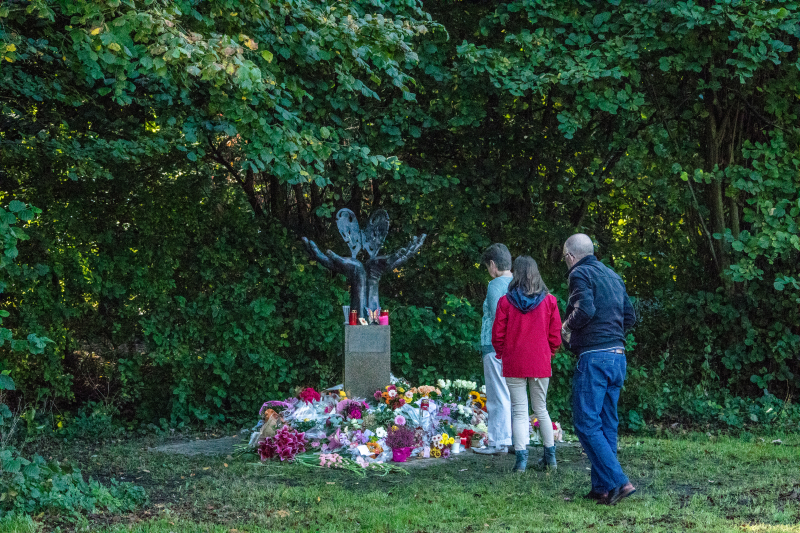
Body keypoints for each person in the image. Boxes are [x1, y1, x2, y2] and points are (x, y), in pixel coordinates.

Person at [561, 234, 637, 505]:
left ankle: (619, 482)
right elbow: (630, 317)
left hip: (594, 357)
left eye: (564, 259)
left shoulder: (579, 274)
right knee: (607, 423)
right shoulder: (613, 276)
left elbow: (585, 310)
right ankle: (602, 488)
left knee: (585, 423)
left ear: (570, 256)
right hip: (618, 356)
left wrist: (566, 327)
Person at [492, 256, 562, 472]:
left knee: (520, 411)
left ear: (516, 273)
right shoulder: (549, 301)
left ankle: (521, 461)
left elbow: (498, 335)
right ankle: (550, 458)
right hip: (540, 361)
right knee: (541, 408)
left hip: (514, 360)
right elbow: (556, 334)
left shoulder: (505, 302)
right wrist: (550, 352)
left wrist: (503, 353)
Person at [473, 243, 514, 455]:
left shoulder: (495, 285)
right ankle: (516, 440)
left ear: (492, 264)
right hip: (515, 347)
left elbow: (499, 317)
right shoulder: (519, 283)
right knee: (514, 394)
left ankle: (499, 442)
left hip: (494, 345)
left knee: (497, 395)